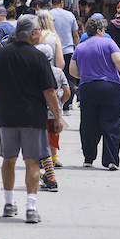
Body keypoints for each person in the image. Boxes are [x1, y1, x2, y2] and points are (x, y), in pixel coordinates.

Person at [0, 15, 64, 224]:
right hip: (33, 117)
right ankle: (31, 207)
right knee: (32, 161)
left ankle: (9, 203)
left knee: (8, 160)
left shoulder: (3, 54)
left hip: (8, 116)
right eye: (39, 29)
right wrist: (57, 117)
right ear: (32, 33)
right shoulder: (38, 57)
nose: (40, 33)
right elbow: (49, 91)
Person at [70, 17, 120, 170]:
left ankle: (89, 157)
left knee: (88, 123)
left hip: (87, 88)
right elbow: (119, 61)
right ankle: (111, 160)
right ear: (99, 30)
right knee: (111, 123)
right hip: (110, 87)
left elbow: (72, 71)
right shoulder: (109, 43)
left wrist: (86, 75)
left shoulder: (80, 47)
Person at [34, 42, 70, 190]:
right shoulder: (58, 72)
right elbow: (67, 92)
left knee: (41, 145)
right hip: (54, 115)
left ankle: (48, 176)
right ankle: (51, 171)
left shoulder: (33, 73)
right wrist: (59, 106)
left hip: (39, 114)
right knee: (53, 144)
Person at [50, 0, 80, 114]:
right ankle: (66, 106)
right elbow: (75, 35)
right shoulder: (70, 15)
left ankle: (54, 102)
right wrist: (78, 49)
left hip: (51, 50)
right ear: (62, 2)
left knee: (52, 77)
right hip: (68, 51)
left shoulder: (48, 15)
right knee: (68, 78)